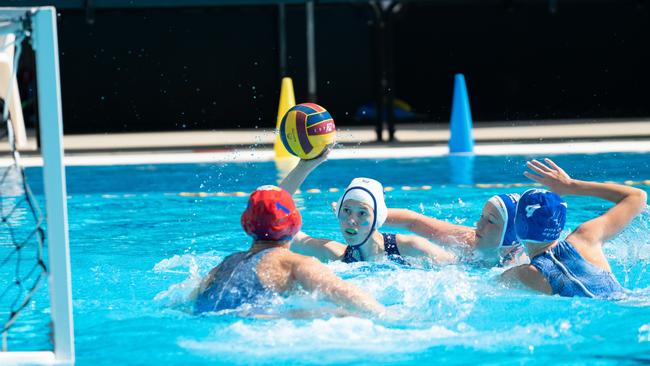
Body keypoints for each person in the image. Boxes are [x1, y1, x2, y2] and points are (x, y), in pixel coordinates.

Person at [192, 185, 386, 315]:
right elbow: (347, 295)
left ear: (245, 224)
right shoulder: (296, 263)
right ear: (295, 223)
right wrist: (388, 315)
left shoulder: (225, 264)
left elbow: (188, 301)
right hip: (257, 327)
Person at [501, 158, 647, 298]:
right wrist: (571, 186)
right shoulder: (586, 237)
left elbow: (487, 284)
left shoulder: (524, 274)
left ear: (520, 226)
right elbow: (637, 196)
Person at [280, 153, 456, 265]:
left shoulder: (411, 247)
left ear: (377, 219)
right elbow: (275, 220)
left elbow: (459, 267)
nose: (351, 220)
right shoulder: (335, 255)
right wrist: (305, 166)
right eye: (346, 210)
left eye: (362, 213)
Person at [385, 193, 526, 267]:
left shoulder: (520, 268)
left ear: (510, 235)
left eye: (490, 220)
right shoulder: (468, 239)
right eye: (481, 216)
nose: (478, 224)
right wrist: (374, 215)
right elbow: (414, 222)